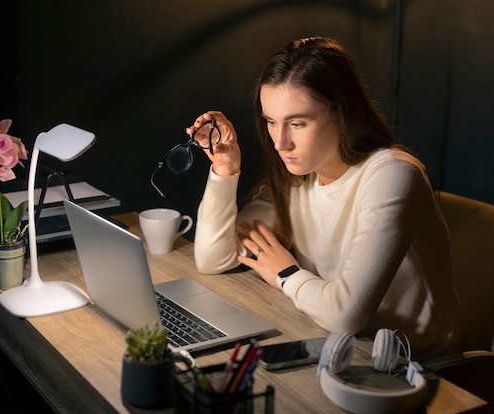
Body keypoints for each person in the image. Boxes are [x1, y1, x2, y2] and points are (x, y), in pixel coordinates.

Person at [187, 36, 459, 360]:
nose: (280, 142)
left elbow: (345, 315)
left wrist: (285, 274)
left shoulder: (392, 175)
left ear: (341, 115)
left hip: (416, 370)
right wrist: (224, 169)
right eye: (271, 122)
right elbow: (214, 258)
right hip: (337, 351)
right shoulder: (295, 174)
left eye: (297, 123)